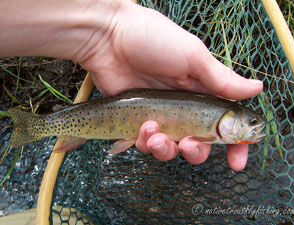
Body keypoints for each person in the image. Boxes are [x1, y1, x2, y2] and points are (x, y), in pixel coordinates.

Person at [0, 0, 263, 171]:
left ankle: (40, 125)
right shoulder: (211, 123)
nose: (255, 126)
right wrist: (108, 30)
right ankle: (39, 125)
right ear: (230, 117)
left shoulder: (214, 119)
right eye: (251, 123)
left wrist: (108, 30)